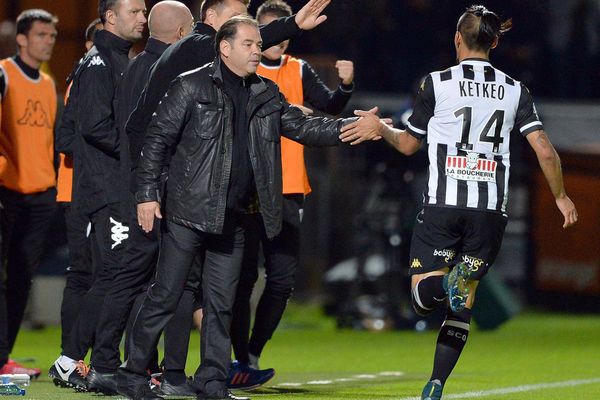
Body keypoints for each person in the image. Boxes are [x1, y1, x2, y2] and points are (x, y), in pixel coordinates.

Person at [117, 15, 376, 400]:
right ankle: (133, 374)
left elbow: (302, 128)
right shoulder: (190, 85)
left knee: (223, 305)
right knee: (165, 295)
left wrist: (347, 130)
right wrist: (146, 195)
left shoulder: (266, 93)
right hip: (188, 212)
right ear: (225, 48)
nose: (258, 50)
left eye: (258, 44)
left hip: (236, 216)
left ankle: (212, 381)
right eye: (250, 44)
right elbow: (155, 140)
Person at [340, 5, 578, 400]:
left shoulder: (437, 83)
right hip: (489, 212)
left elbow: (408, 144)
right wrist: (561, 196)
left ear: (457, 39)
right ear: (495, 42)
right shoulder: (516, 90)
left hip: (444, 206)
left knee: (421, 298)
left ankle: (444, 287)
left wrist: (380, 127)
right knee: (462, 305)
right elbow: (545, 150)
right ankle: (436, 383)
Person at [228, 0, 355, 389]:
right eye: (271, 32)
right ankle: (236, 358)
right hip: (249, 190)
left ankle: (251, 354)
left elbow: (330, 108)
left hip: (288, 190)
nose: (278, 42)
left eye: (284, 34)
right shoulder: (238, 75)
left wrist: (345, 86)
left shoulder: (297, 69)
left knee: (281, 280)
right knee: (243, 278)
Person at [85, 2, 198, 396]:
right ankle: (118, 365)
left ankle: (112, 364)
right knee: (147, 277)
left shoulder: (135, 65)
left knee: (135, 276)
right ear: (185, 33)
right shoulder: (166, 70)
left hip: (135, 186)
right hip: (152, 190)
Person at [49, 0, 147, 391]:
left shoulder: (118, 59)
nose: (143, 17)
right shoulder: (99, 63)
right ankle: (71, 360)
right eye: (135, 11)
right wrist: (141, 152)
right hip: (109, 189)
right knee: (112, 273)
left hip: (116, 185)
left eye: (144, 11)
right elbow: (93, 127)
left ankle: (102, 362)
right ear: (110, 17)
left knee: (117, 274)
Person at [125, 0, 333, 153]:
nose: (242, 25)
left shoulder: (211, 58)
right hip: (158, 177)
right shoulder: (195, 45)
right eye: (235, 17)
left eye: (245, 19)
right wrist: (293, 24)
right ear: (212, 16)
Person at [0, 8, 58, 379]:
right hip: (7, 190)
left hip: (41, 195)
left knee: (22, 278)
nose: (48, 41)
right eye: (40, 34)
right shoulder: (4, 74)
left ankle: (4, 357)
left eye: (51, 35)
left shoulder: (48, 84)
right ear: (21, 38)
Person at [55, 17, 103, 370]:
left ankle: (85, 356)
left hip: (95, 190)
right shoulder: (85, 78)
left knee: (98, 274)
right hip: (81, 191)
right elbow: (67, 139)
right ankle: (71, 357)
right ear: (88, 46)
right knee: (83, 274)